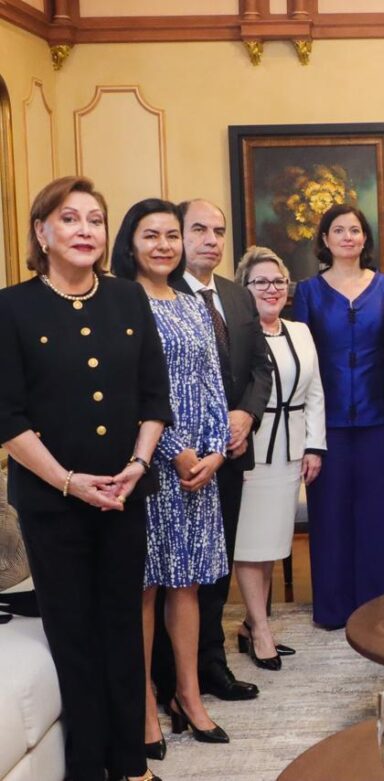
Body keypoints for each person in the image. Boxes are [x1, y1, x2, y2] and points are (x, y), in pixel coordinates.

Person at [0, 177, 170, 781]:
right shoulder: (11, 307)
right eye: (69, 219)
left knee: (123, 628)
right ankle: (87, 768)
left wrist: (137, 466)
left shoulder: (128, 298)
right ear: (42, 233)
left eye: (95, 220)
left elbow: (154, 397)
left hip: (124, 496)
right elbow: (8, 418)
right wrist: (69, 482)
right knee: (73, 634)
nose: (85, 230)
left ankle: (131, 765)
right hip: (53, 505)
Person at [112, 198, 232, 753]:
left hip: (200, 472)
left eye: (170, 236)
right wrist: (174, 450)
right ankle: (144, 705)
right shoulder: (119, 302)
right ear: (130, 243)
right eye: (150, 235)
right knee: (145, 586)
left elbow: (213, 383)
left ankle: (189, 694)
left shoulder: (190, 303)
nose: (163, 245)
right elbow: (127, 391)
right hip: (149, 468)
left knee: (187, 585)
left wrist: (214, 452)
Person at [152, 198, 270, 704]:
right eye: (198, 229)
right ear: (178, 236)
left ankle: (211, 666)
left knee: (215, 568)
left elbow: (261, 367)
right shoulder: (160, 293)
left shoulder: (237, 296)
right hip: (173, 458)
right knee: (174, 575)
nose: (211, 240)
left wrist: (246, 414)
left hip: (228, 454)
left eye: (219, 231)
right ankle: (169, 678)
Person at [293, 204, 384, 629]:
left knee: (379, 516)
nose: (348, 237)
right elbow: (302, 361)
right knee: (330, 515)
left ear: (365, 239)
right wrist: (304, 427)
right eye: (339, 230)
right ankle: (333, 610)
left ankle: (377, 609)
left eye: (355, 230)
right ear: (325, 240)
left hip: (380, 418)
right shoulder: (308, 292)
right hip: (326, 424)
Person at [235, 246, 326, 666]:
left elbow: (315, 392)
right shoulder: (236, 334)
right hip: (250, 450)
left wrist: (314, 445)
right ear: (245, 288)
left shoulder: (301, 332)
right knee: (250, 543)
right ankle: (261, 629)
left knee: (271, 542)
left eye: (278, 281)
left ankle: (251, 623)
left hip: (290, 451)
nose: (271, 289)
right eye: (261, 282)